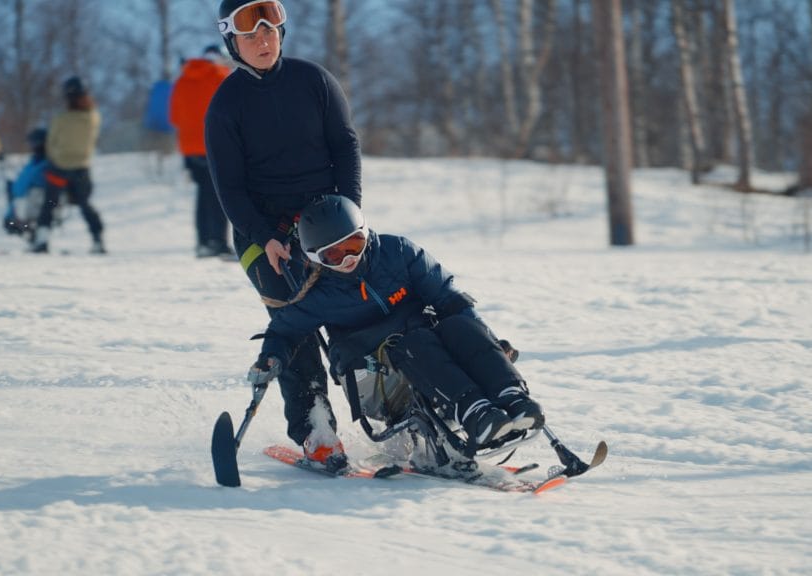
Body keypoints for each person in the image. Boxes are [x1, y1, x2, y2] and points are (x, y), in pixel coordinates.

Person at [256, 196, 545, 458]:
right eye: (334, 255)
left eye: (353, 245)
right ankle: (476, 413)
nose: (348, 259)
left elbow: (448, 296)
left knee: (459, 324)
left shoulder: (399, 253)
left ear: (366, 233)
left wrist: (490, 340)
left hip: (430, 352)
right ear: (315, 257)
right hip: (374, 377)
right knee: (415, 343)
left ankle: (513, 398)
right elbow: (284, 331)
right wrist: (271, 358)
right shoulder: (319, 295)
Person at [205, 0, 362, 466]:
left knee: (366, 309)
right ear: (231, 40)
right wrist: (263, 236)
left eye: (270, 30)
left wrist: (349, 210)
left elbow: (345, 146)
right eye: (250, 34)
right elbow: (228, 189)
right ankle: (316, 430)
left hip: (329, 225)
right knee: (296, 326)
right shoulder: (225, 105)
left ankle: (401, 410)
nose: (263, 40)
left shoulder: (314, 81)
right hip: (262, 235)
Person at [169, 45, 233, 258]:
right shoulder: (221, 76)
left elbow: (174, 117)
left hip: (189, 148)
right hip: (215, 144)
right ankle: (219, 242)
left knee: (203, 194)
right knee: (219, 194)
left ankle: (203, 242)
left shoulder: (181, 80)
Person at [31, 76, 105, 254]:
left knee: (49, 203)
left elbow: (51, 143)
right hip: (81, 169)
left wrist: (54, 157)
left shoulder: (60, 119)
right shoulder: (94, 117)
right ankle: (97, 240)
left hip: (58, 169)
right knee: (85, 204)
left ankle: (41, 240)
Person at [3, 127, 49, 239]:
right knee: (12, 220)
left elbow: (21, 187)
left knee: (13, 222)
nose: (31, 146)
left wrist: (12, 189)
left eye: (33, 142)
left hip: (40, 202)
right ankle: (29, 233)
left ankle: (30, 232)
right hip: (38, 202)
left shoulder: (41, 163)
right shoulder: (37, 161)